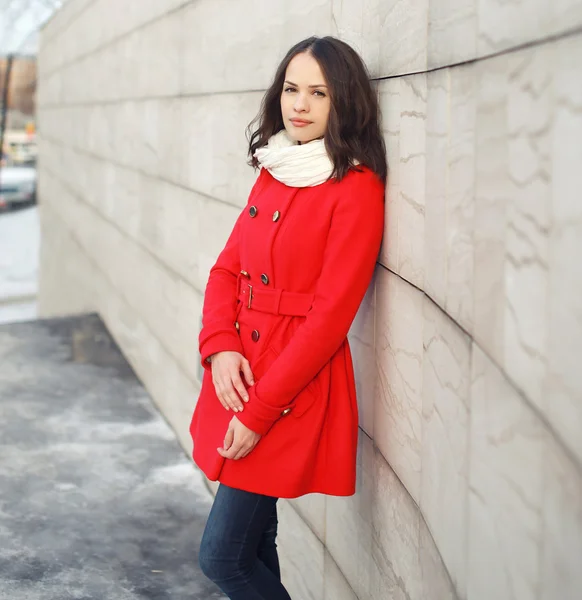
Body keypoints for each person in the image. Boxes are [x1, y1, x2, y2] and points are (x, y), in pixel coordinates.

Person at [191, 35, 388, 600]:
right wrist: (220, 344)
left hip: (288, 388)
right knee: (256, 544)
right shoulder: (276, 166)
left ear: (343, 101)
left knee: (222, 557)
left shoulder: (356, 186)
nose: (298, 105)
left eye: (318, 93)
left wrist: (258, 413)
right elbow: (226, 270)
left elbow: (330, 318)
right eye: (291, 89)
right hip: (241, 367)